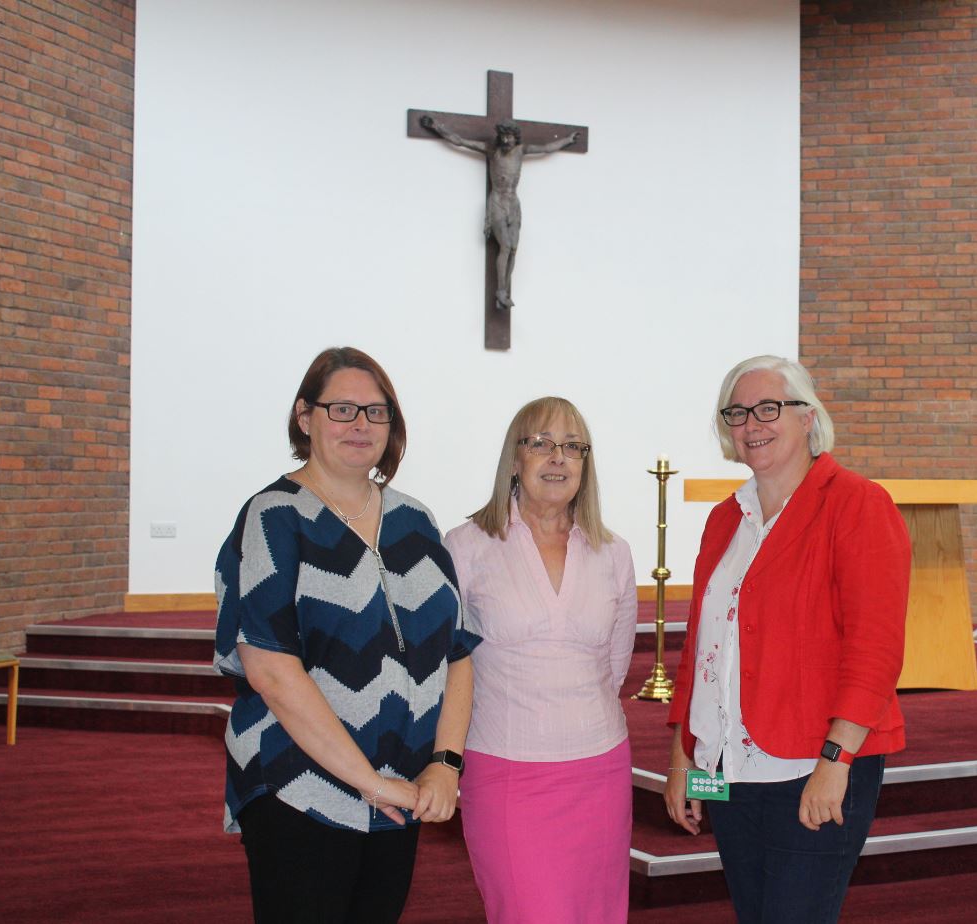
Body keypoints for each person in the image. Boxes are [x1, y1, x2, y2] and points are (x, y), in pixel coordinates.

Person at [212, 346, 480, 924]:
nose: (361, 425)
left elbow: (456, 652)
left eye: (376, 412)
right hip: (299, 787)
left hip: (401, 791)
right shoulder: (274, 517)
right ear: (305, 417)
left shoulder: (416, 521)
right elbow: (271, 670)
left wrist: (445, 763)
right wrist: (370, 783)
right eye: (342, 410)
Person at [662, 355, 912, 924]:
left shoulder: (855, 504)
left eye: (769, 408)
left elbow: (875, 651)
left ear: (808, 418)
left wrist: (836, 758)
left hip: (813, 766)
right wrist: (684, 758)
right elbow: (705, 651)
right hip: (730, 771)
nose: (752, 424)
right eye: (737, 413)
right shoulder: (726, 519)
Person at [444, 396, 637, 924]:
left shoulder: (613, 552)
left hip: (600, 770)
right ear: (514, 459)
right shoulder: (465, 546)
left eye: (573, 447)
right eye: (541, 444)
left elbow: (613, 665)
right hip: (507, 771)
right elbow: (448, 664)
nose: (558, 458)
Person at [419, 115, 580, 310]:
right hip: (497, 202)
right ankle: (501, 291)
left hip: (513, 204)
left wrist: (568, 140)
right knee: (504, 246)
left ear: (516, 138)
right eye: (503, 136)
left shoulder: (521, 151)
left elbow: (546, 148)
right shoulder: (492, 150)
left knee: (513, 249)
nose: (505, 140)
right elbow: (460, 141)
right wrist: (437, 126)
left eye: (509, 137)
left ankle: (504, 291)